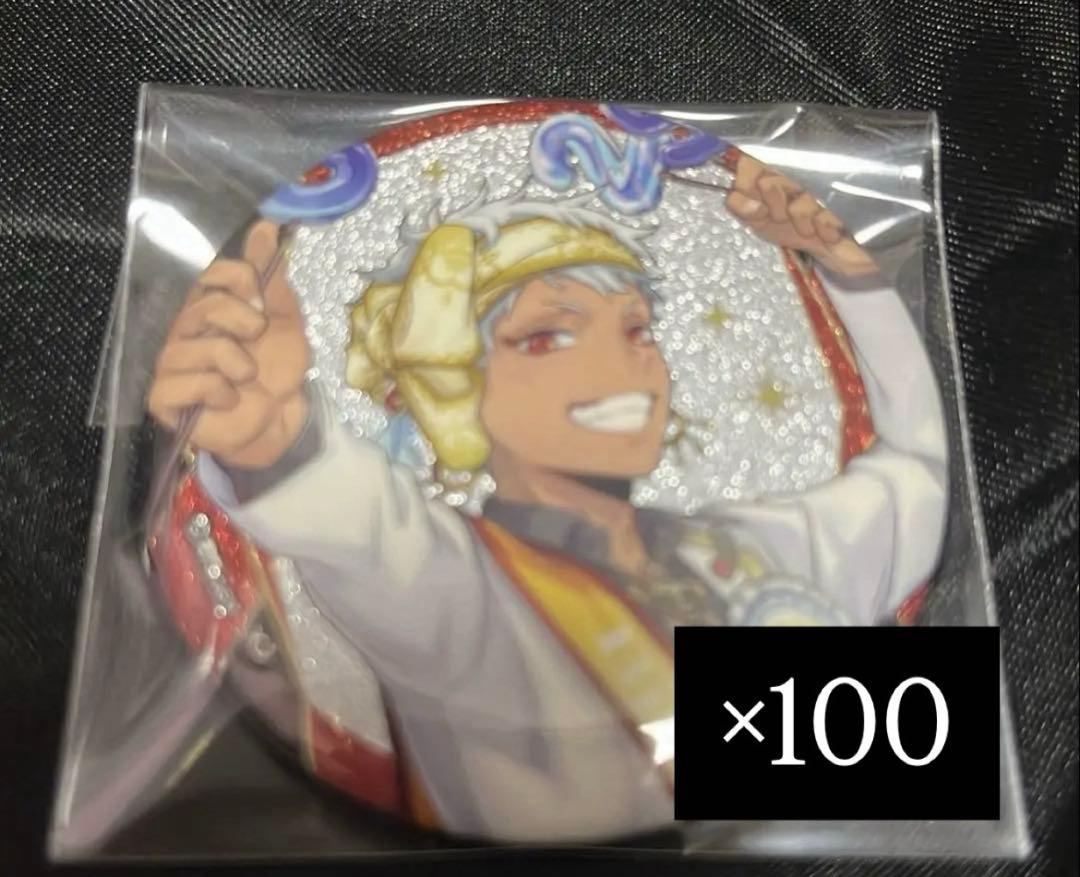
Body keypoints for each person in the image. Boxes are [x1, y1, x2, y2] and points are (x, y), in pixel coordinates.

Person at [147, 154, 948, 841]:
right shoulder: (462, 588)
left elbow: (920, 474)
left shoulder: (751, 547)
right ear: (458, 384)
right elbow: (358, 525)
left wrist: (850, 274)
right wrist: (272, 442)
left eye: (637, 330)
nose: (621, 369)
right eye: (546, 337)